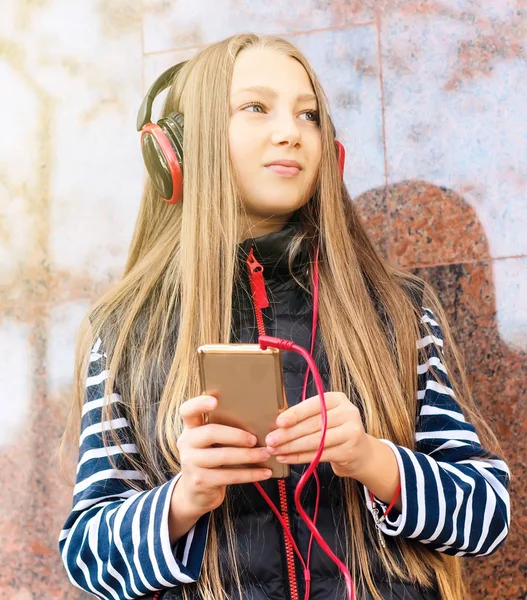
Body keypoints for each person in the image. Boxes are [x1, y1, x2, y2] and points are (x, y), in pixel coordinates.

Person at [58, 33, 510, 600]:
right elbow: (86, 559)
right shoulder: (127, 333)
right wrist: (185, 497)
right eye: (255, 107)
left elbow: (488, 515)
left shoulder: (394, 311)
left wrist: (372, 459)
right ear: (178, 149)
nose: (290, 131)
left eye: (309, 114)